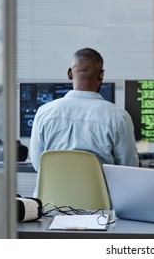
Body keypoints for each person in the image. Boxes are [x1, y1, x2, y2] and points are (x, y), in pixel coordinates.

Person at [30, 47, 139, 196]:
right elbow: (128, 170)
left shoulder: (44, 113)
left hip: (50, 207)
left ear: (69, 73)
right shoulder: (118, 117)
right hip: (100, 211)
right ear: (101, 75)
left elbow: (39, 165)